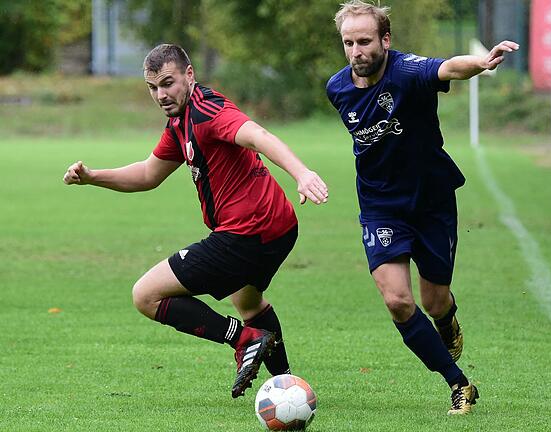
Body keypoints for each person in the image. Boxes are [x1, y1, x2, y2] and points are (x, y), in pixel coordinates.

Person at [62, 44, 328, 398]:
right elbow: (147, 174)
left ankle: (242, 339)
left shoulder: (207, 111)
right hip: (277, 226)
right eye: (152, 87)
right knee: (249, 303)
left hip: (246, 232)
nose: (160, 94)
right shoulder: (179, 121)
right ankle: (290, 388)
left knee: (146, 295)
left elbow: (258, 136)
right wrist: (93, 176)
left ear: (189, 75)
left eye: (168, 83)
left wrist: (301, 172)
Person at [326, 0, 518, 415]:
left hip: (432, 202)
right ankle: (459, 384)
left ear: (385, 40)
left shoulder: (408, 70)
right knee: (397, 300)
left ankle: (447, 320)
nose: (356, 51)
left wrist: (483, 63)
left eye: (364, 41)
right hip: (380, 207)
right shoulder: (337, 88)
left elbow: (448, 67)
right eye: (348, 43)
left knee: (434, 301)